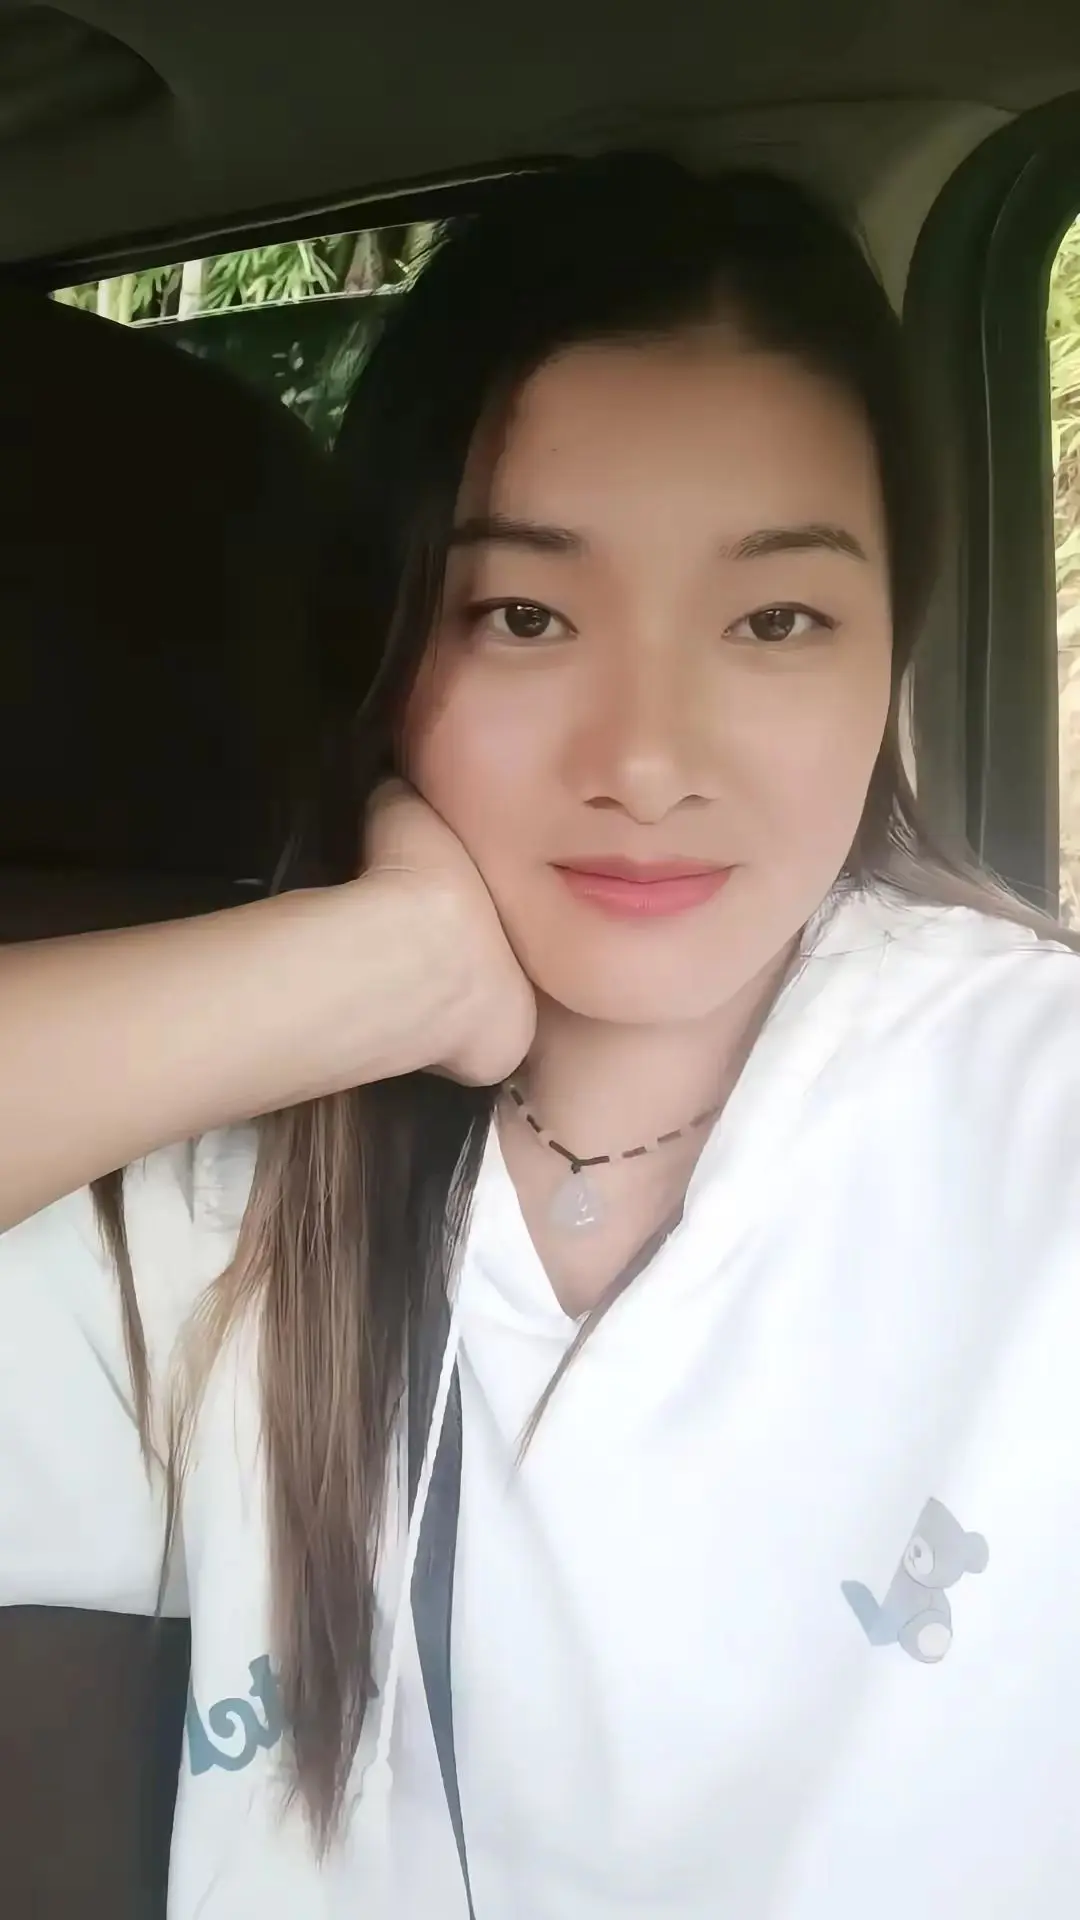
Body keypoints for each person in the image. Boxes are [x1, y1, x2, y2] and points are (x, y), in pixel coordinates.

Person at [2, 154, 1079, 1920]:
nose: (647, 757)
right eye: (525, 615)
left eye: (776, 619)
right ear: (385, 643)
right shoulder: (238, 1197)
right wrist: (370, 973)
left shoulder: (1037, 1116)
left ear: (893, 649)